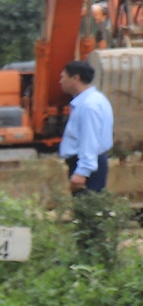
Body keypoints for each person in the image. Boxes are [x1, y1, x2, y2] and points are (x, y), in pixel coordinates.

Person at [61, 58, 117, 262]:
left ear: (75, 78)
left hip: (87, 164)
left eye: (63, 77)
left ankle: (91, 261)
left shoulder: (88, 106)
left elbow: (89, 141)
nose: (60, 81)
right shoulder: (93, 100)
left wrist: (81, 172)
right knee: (88, 214)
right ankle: (90, 258)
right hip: (91, 162)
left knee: (89, 215)